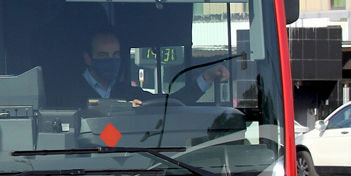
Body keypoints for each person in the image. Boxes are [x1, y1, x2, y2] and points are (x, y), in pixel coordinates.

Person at [57, 30, 229, 108]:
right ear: (88, 58)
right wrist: (122, 110)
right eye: (103, 55)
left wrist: (207, 77)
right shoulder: (69, 92)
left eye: (115, 55)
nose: (111, 60)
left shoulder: (125, 91)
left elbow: (172, 104)